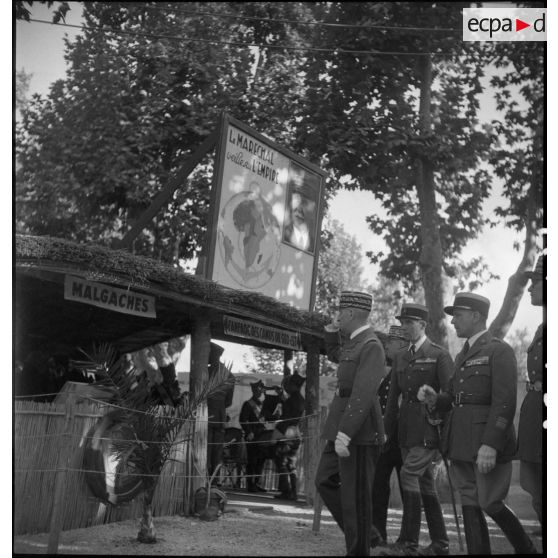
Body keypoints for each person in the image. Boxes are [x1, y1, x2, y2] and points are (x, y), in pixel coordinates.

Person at [418, 292, 537, 555]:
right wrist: (435, 399)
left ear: (476, 316)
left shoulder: (499, 351)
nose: (453, 322)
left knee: (490, 502)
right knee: (469, 500)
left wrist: (491, 444)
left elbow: (505, 401)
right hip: (460, 440)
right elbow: (453, 396)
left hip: (485, 441)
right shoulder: (462, 355)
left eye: (458, 316)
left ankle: (526, 549)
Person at [315, 290, 386, 556]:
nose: (337, 315)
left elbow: (364, 393)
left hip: (358, 430)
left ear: (352, 313)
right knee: (324, 479)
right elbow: (336, 354)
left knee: (356, 497)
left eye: (341, 313)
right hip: (341, 425)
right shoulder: (354, 343)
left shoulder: (371, 345)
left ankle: (359, 549)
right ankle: (368, 536)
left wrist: (346, 432)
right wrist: (331, 331)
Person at [380, 303, 451, 556]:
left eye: (410, 323)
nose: (405, 327)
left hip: (428, 429)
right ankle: (440, 544)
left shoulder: (439, 354)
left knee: (408, 476)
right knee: (425, 485)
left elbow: (450, 396)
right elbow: (392, 402)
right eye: (403, 322)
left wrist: (435, 403)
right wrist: (386, 431)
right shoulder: (401, 357)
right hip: (405, 430)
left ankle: (408, 543)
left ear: (423, 325)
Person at [370, 326, 407, 548]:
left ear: (402, 345)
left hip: (403, 440)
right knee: (377, 487)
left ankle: (408, 538)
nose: (387, 345)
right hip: (386, 440)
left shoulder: (408, 370)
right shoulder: (389, 372)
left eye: (391, 342)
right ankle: (378, 536)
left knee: (409, 491)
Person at [517, 255, 544, 534]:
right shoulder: (541, 327)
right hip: (536, 414)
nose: (530, 289)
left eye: (535, 282)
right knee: (535, 481)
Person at [273, 370, 306, 501]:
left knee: (282, 462)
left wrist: (278, 429)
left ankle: (287, 492)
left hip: (288, 433)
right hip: (295, 433)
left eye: (288, 384)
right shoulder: (300, 399)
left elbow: (286, 417)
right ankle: (294, 493)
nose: (286, 387)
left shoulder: (293, 399)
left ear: (294, 385)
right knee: (291, 465)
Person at [206, 342, 235, 479]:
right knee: (217, 451)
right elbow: (228, 402)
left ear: (213, 354)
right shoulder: (229, 375)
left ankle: (204, 478)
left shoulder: (206, 372)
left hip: (206, 417)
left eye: (208, 353)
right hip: (220, 418)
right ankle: (215, 479)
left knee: (206, 449)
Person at [239, 380, 269, 492]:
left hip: (262, 436)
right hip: (253, 436)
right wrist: (248, 432)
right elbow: (242, 420)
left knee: (261, 460)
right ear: (253, 391)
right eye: (256, 390)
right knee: (252, 461)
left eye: (260, 390)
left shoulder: (262, 404)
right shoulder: (248, 404)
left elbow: (266, 418)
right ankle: (250, 484)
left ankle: (256, 483)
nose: (259, 392)